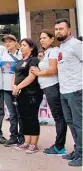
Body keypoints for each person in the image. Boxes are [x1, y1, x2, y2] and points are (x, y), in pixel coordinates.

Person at [30, 29, 67, 156]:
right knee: (58, 117)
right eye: (40, 38)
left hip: (52, 87)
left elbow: (52, 70)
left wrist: (38, 72)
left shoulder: (54, 51)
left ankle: (59, 146)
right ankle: (59, 144)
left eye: (45, 37)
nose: (41, 40)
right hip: (47, 87)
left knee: (59, 117)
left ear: (52, 39)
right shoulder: (47, 53)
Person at [55, 18, 82, 167]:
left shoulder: (76, 45)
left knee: (79, 124)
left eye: (61, 29)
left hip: (76, 90)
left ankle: (82, 154)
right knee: (71, 123)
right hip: (64, 91)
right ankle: (77, 150)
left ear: (69, 30)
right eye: (56, 29)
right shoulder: (62, 46)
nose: (58, 31)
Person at [13, 38, 43, 154]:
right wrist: (14, 87)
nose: (21, 47)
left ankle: (34, 144)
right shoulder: (19, 62)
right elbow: (15, 75)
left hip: (32, 93)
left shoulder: (34, 60)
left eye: (24, 45)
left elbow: (31, 77)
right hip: (20, 94)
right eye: (21, 45)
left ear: (31, 48)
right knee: (24, 117)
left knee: (32, 117)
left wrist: (18, 86)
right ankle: (26, 142)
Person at [0, 34, 23, 146]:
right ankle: (13, 136)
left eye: (10, 41)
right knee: (12, 114)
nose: (7, 43)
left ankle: (22, 136)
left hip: (18, 89)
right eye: (5, 42)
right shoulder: (3, 55)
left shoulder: (21, 54)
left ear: (15, 42)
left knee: (20, 113)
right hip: (6, 89)